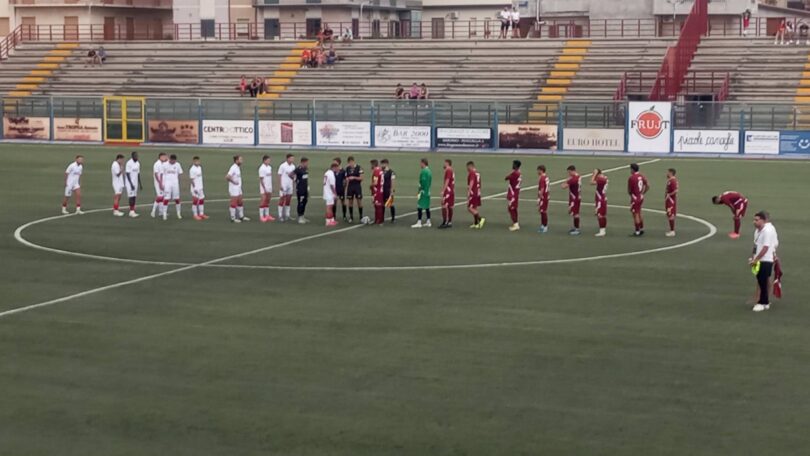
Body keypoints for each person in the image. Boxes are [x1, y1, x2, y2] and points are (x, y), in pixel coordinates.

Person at [749, 211, 779, 312]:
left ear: (763, 220)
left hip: (766, 259)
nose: (754, 222)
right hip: (759, 259)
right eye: (754, 220)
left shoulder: (767, 231)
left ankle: (762, 302)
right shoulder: (757, 231)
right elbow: (756, 245)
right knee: (762, 280)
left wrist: (756, 259)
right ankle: (765, 302)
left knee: (762, 281)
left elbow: (766, 247)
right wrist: (753, 257)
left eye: (757, 220)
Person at [628, 163, 649, 237]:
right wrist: (643, 192)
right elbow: (648, 185)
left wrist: (631, 195)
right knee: (639, 213)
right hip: (640, 197)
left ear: (632, 169)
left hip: (635, 198)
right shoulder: (642, 176)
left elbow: (629, 190)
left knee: (635, 214)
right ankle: (641, 228)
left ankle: (637, 231)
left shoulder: (632, 178)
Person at [226, 155, 249, 223]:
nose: (242, 161)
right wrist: (234, 182)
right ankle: (233, 218)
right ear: (236, 161)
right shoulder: (233, 168)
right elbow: (227, 177)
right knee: (234, 202)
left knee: (240, 202)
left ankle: (241, 216)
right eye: (240, 159)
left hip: (238, 188)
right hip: (234, 188)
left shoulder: (237, 167)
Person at [161, 154, 183, 221]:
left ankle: (178, 213)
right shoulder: (165, 164)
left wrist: (181, 183)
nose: (173, 162)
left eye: (174, 161)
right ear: (170, 159)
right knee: (166, 198)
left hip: (175, 184)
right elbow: (161, 174)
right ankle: (164, 214)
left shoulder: (178, 165)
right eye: (172, 160)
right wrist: (161, 184)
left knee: (177, 199)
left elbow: (180, 174)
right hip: (167, 184)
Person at [412, 158, 432, 228]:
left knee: (419, 206)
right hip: (428, 191)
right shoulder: (429, 171)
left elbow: (423, 181)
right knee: (427, 206)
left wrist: (420, 190)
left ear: (423, 163)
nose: (420, 164)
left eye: (421, 163)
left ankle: (419, 222)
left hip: (423, 191)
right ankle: (428, 221)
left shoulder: (424, 171)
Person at [561, 165, 581, 236]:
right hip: (576, 196)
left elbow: (563, 186)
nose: (569, 174)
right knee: (574, 213)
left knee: (575, 214)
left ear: (572, 171)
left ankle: (577, 229)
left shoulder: (573, 179)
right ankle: (575, 228)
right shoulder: (578, 176)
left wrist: (566, 181)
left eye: (569, 172)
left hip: (574, 198)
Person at [344, 156, 364, 223]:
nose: (350, 164)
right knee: (350, 202)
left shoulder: (359, 168)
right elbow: (346, 177)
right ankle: (351, 217)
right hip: (350, 187)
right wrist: (346, 180)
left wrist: (354, 177)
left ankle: (361, 217)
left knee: (359, 201)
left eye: (351, 162)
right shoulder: (347, 168)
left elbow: (361, 178)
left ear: (353, 161)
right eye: (349, 163)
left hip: (357, 186)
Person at [277, 153, 296, 222]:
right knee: (282, 200)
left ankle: (287, 215)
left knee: (288, 200)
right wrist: (280, 185)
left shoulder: (293, 166)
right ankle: (280, 215)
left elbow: (294, 176)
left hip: (290, 185)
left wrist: (293, 183)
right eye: (291, 158)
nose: (292, 159)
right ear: (287, 159)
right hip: (284, 185)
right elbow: (279, 175)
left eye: (293, 158)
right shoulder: (282, 166)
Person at [189, 156, 208, 221]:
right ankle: (195, 215)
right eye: (196, 161)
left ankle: (201, 214)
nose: (197, 162)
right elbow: (192, 180)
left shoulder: (199, 167)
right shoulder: (192, 169)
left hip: (200, 187)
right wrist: (194, 188)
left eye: (198, 161)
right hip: (195, 188)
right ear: (193, 161)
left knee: (201, 200)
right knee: (195, 201)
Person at [467, 161, 485, 229]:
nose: (467, 169)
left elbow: (471, 182)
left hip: (473, 192)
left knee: (470, 208)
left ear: (470, 166)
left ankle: (480, 219)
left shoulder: (472, 172)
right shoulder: (477, 173)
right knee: (474, 208)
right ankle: (476, 223)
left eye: (468, 167)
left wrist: (469, 191)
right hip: (477, 192)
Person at [591, 168, 609, 237]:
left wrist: (595, 174)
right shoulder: (604, 177)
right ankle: (603, 230)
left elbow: (591, 182)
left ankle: (602, 231)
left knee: (600, 215)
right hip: (603, 197)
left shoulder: (600, 179)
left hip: (600, 199)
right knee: (602, 215)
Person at [258, 155, 276, 223]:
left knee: (268, 201)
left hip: (269, 186)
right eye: (268, 160)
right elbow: (261, 179)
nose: (269, 161)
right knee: (263, 200)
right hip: (264, 187)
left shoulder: (269, 167)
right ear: (264, 160)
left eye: (269, 160)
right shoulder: (262, 168)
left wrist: (271, 187)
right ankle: (261, 216)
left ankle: (267, 215)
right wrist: (264, 188)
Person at [505, 160, 522, 232]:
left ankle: (516, 224)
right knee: (513, 208)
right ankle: (515, 222)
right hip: (515, 193)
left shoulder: (515, 173)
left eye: (514, 164)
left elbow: (506, 178)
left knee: (511, 209)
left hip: (513, 194)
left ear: (516, 165)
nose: (512, 165)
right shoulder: (519, 172)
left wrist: (509, 175)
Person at [150, 152, 168, 219]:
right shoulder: (157, 164)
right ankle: (153, 211)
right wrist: (160, 183)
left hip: (162, 182)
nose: (165, 158)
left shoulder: (162, 164)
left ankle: (161, 211)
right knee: (160, 197)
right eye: (163, 157)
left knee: (162, 197)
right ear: (160, 157)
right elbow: (156, 174)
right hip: (158, 183)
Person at [125, 151, 142, 218]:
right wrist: (131, 184)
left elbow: (138, 174)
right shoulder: (129, 163)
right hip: (130, 183)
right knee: (131, 197)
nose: (137, 157)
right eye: (135, 156)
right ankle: (131, 211)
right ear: (132, 156)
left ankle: (133, 210)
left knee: (134, 196)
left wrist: (140, 184)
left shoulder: (138, 163)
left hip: (135, 183)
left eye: (137, 156)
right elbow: (127, 174)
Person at [439, 159, 455, 229]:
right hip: (451, 190)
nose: (444, 164)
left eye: (445, 163)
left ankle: (445, 222)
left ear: (447, 163)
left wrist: (443, 190)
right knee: (450, 206)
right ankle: (449, 222)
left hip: (448, 191)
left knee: (444, 205)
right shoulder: (452, 170)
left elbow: (447, 180)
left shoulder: (448, 170)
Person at [294, 157, 310, 224]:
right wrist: (296, 180)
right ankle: (300, 217)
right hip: (300, 189)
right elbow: (291, 174)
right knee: (300, 202)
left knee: (305, 202)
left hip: (305, 188)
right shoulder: (298, 169)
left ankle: (302, 215)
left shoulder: (305, 169)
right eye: (307, 162)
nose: (307, 164)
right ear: (303, 162)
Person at [323, 161, 339, 227]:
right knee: (329, 207)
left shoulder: (327, 173)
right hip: (329, 193)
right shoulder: (331, 174)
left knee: (330, 207)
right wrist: (335, 194)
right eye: (337, 168)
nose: (338, 169)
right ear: (334, 167)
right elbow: (332, 186)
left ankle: (331, 220)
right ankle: (328, 221)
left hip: (327, 192)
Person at [370, 159, 385, 225]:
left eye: (371, 164)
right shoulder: (380, 170)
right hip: (380, 190)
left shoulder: (376, 171)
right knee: (378, 206)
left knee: (378, 206)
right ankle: (377, 219)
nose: (370, 166)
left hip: (377, 191)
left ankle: (379, 220)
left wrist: (371, 185)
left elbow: (375, 182)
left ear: (373, 164)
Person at [381, 159, 396, 223]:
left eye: (383, 164)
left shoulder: (391, 172)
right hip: (382, 190)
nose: (382, 165)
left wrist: (392, 191)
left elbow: (393, 182)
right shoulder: (381, 171)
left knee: (390, 204)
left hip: (388, 190)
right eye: (382, 164)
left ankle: (393, 218)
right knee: (382, 204)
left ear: (387, 164)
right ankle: (382, 218)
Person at [665, 168, 678, 237]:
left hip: (671, 201)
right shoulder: (671, 180)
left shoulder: (672, 181)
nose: (667, 173)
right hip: (670, 200)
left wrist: (669, 195)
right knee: (670, 215)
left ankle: (672, 231)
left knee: (671, 215)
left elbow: (675, 190)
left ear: (671, 173)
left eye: (668, 172)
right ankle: (671, 230)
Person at [334, 157, 348, 221]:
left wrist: (344, 188)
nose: (333, 163)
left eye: (335, 162)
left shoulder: (343, 171)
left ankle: (344, 216)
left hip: (341, 189)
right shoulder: (332, 170)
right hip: (334, 189)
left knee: (343, 202)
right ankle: (334, 216)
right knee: (334, 202)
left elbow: (345, 180)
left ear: (338, 162)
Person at [537, 165, 549, 233]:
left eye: (538, 170)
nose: (537, 172)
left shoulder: (542, 178)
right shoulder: (546, 177)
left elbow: (542, 189)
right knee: (542, 211)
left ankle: (545, 226)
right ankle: (542, 225)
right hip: (546, 196)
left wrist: (539, 198)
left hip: (543, 197)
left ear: (541, 170)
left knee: (543, 211)